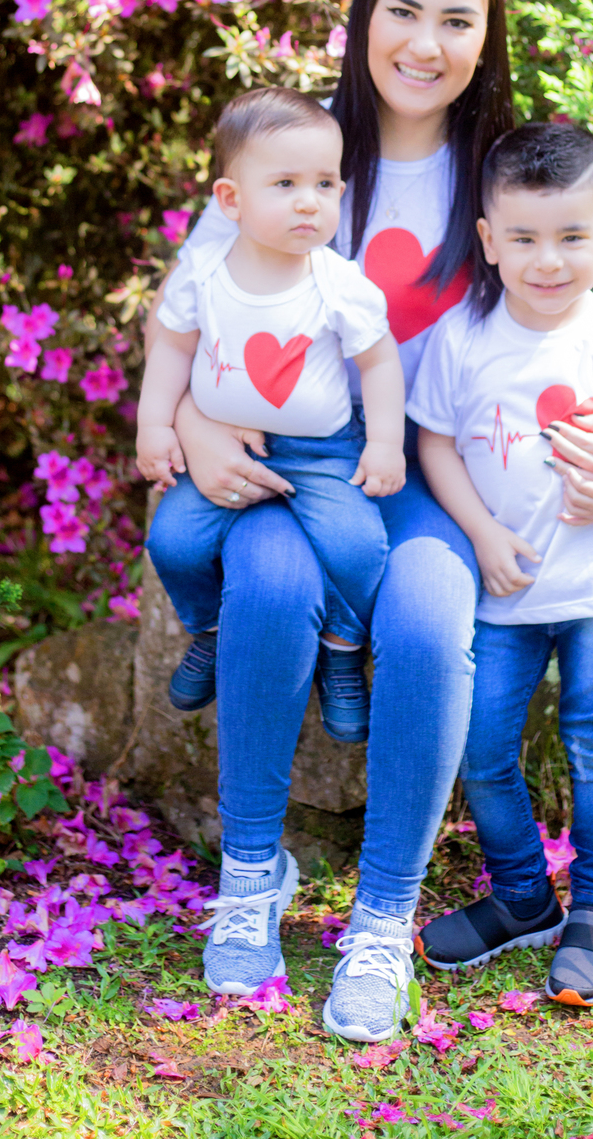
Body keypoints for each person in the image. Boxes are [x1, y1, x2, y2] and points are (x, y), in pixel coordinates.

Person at [146, 0, 593, 1042]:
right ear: (364, 17)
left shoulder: (510, 174)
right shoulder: (303, 146)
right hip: (293, 468)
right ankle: (251, 876)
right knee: (271, 589)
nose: (424, 42)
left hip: (436, 481)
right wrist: (190, 416)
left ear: (488, 37)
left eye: (456, 20)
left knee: (430, 626)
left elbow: (583, 332)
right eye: (403, 10)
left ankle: (382, 919)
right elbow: (198, 302)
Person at [411, 123, 593, 1006]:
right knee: (484, 746)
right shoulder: (463, 340)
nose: (549, 260)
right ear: (490, 240)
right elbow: (434, 442)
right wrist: (483, 536)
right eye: (526, 238)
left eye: (573, 237)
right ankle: (525, 896)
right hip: (505, 590)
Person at [138, 86, 405, 754]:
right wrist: (156, 426)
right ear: (231, 201)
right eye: (285, 183)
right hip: (224, 449)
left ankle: (341, 646)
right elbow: (171, 349)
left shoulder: (338, 284)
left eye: (325, 183)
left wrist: (384, 443)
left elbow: (379, 364)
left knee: (359, 546)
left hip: (321, 454)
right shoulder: (204, 274)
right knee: (173, 542)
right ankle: (209, 630)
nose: (310, 201)